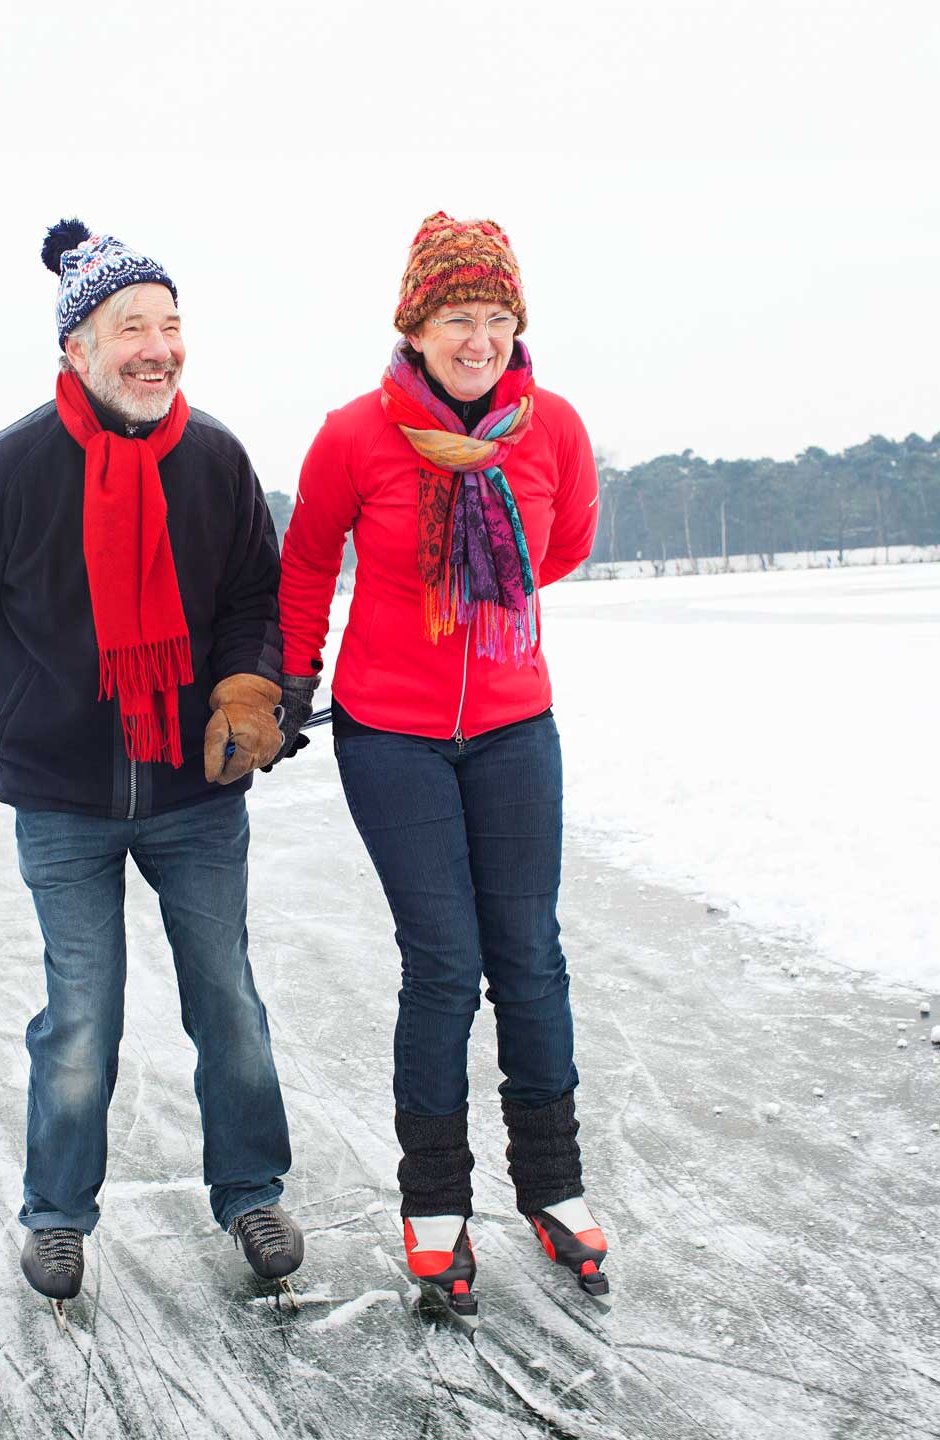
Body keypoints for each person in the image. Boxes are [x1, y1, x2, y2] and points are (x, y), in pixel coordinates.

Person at [0, 219, 299, 1309]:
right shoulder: (1, 472)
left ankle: (252, 1189)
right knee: (82, 1013)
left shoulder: (215, 459)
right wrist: (28, 693)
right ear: (79, 346)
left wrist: (241, 687)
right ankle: (56, 1216)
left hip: (194, 791)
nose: (157, 349)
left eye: (171, 327)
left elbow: (250, 600)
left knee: (227, 997)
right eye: (132, 326)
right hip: (65, 799)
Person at [273, 213, 603, 1319]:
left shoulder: (551, 427)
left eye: (498, 317)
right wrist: (286, 680)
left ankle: (553, 1187)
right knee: (444, 963)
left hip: (514, 725)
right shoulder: (355, 436)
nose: (480, 338)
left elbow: (564, 548)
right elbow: (310, 560)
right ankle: (436, 1205)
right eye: (459, 317)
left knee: (532, 957)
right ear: (415, 327)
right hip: (393, 734)